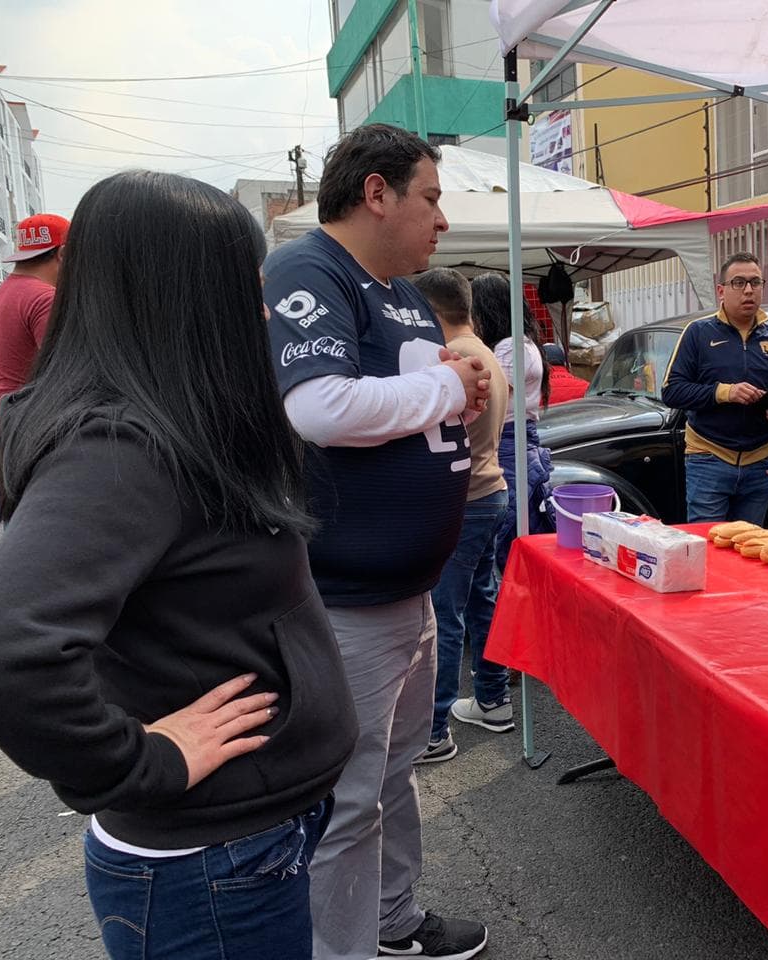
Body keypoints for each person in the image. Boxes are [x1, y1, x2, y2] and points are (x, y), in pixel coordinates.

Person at [0, 170, 357, 960]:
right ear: (181, 301)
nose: (260, 312)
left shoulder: (170, 425)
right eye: (242, 289)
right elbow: (3, 652)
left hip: (242, 845)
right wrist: (143, 764)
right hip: (210, 865)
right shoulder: (120, 447)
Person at [262, 123, 491, 960]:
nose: (441, 221)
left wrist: (450, 392)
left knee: (392, 778)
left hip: (408, 591)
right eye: (429, 198)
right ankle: (341, 947)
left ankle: (389, 920)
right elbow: (317, 408)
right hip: (347, 599)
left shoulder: (394, 289)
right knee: (350, 796)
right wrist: (441, 386)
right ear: (376, 192)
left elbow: (412, 403)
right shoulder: (309, 268)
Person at [413, 267, 514, 761]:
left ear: (432, 313)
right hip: (489, 490)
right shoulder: (487, 354)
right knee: (479, 600)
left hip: (467, 497)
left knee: (445, 615)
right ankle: (493, 699)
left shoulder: (457, 359)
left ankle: (434, 729)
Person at [662, 252, 768, 523]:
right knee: (710, 551)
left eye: (755, 282)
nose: (748, 290)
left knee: (747, 552)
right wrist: (725, 392)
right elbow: (672, 391)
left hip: (760, 464)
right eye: (739, 283)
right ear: (721, 291)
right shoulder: (698, 333)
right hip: (708, 459)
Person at [471, 273, 555, 570]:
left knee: (506, 544)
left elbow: (493, 395)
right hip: (514, 440)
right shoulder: (520, 343)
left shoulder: (510, 347)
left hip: (510, 441)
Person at [0, 213, 68, 417]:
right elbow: (65, 372)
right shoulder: (45, 299)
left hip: (5, 424)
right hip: (39, 424)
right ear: (63, 253)